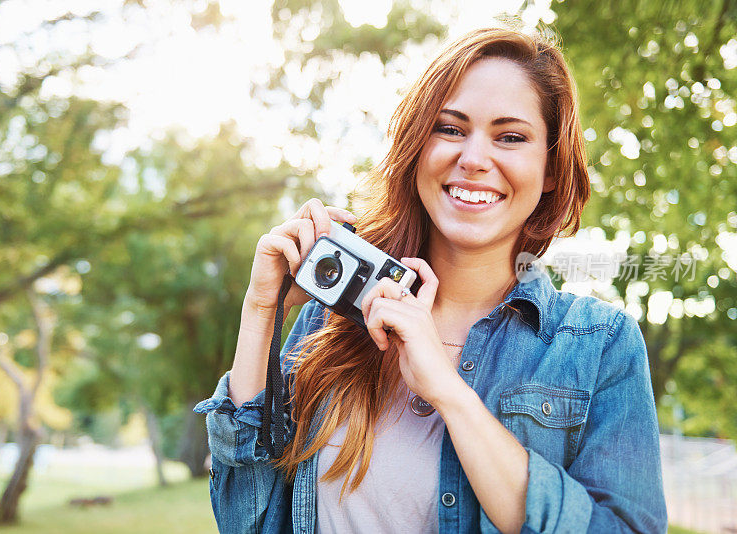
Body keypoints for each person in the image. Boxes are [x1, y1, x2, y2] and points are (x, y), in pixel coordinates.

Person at [195, 26, 668, 533]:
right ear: (418, 147)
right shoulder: (329, 320)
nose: (474, 159)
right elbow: (249, 521)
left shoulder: (598, 345)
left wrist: (447, 390)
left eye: (510, 137)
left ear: (551, 168)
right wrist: (260, 313)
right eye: (450, 128)